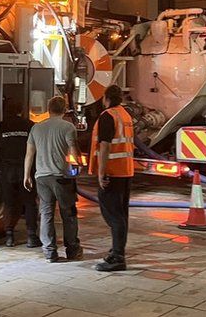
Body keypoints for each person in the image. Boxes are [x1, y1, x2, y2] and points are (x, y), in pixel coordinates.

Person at [25, 96, 83, 262]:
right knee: (69, 213)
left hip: (41, 177)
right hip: (61, 177)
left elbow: (29, 154)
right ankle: (72, 249)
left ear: (48, 110)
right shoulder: (68, 127)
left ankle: (50, 252)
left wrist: (26, 175)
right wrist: (77, 165)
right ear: (65, 109)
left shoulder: (36, 128)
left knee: (46, 214)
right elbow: (73, 151)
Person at [89, 85, 135, 272]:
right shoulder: (125, 115)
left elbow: (105, 145)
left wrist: (101, 173)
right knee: (121, 215)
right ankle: (117, 251)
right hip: (125, 171)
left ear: (106, 98)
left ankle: (117, 256)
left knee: (113, 216)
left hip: (112, 173)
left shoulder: (107, 116)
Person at [0, 99, 41, 248]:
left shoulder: (1, 126)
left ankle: (9, 236)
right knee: (29, 202)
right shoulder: (29, 125)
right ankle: (31, 237)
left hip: (7, 169)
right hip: (25, 169)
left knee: (9, 203)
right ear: (21, 110)